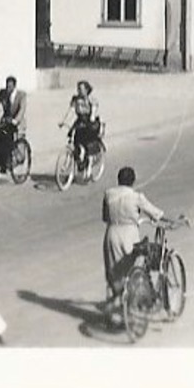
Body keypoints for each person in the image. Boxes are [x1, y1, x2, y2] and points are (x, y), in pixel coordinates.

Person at [101, 166, 171, 316]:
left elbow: (105, 217)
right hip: (129, 235)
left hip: (111, 234)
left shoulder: (108, 194)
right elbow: (155, 213)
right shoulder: (136, 197)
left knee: (115, 272)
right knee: (135, 268)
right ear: (132, 181)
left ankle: (117, 302)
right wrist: (171, 221)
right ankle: (135, 304)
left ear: (118, 180)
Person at [57, 80, 102, 169]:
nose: (79, 91)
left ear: (87, 90)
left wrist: (92, 117)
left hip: (90, 122)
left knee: (87, 141)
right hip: (80, 119)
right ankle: (77, 156)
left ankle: (89, 163)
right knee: (73, 136)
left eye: (81, 89)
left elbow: (94, 109)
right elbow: (70, 111)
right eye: (78, 89)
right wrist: (63, 121)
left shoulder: (91, 99)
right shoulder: (75, 99)